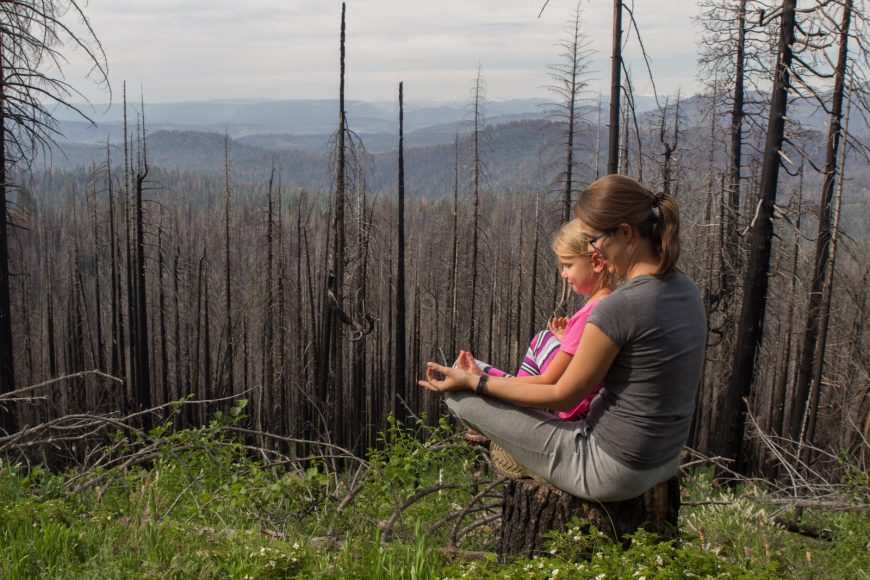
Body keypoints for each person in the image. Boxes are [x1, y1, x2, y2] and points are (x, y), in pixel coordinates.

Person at [419, 175, 706, 502]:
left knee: (458, 399)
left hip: (607, 469)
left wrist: (475, 384)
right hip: (663, 460)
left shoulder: (619, 307)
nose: (593, 251)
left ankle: (526, 457)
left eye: (593, 240)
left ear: (625, 233)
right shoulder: (685, 289)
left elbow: (562, 395)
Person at [456, 218, 615, 424]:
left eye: (568, 265)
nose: (564, 274)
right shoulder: (612, 302)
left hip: (573, 413)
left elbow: (548, 381)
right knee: (545, 337)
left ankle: (516, 411)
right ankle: (516, 401)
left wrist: (481, 380)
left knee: (463, 368)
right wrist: (568, 339)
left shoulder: (588, 316)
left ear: (597, 262)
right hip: (588, 405)